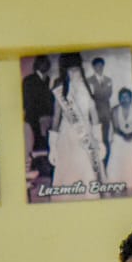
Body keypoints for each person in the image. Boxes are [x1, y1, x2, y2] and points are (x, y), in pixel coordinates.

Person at [51, 51, 106, 188]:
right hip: (67, 139)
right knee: (68, 178)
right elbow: (56, 118)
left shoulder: (87, 86)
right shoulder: (60, 89)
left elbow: (94, 115)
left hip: (86, 135)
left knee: (88, 177)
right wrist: (52, 147)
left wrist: (99, 141)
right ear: (65, 70)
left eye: (76, 69)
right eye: (70, 70)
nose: (74, 73)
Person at [23, 55, 56, 180]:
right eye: (43, 64)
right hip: (34, 118)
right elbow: (27, 102)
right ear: (37, 65)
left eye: (47, 64)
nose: (45, 66)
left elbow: (49, 99)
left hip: (46, 118)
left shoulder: (47, 79)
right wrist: (39, 117)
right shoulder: (28, 80)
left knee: (45, 143)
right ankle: (36, 169)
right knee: (36, 143)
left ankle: (43, 169)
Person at [88, 55, 115, 163]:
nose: (99, 68)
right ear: (93, 67)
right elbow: (91, 97)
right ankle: (95, 163)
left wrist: (99, 95)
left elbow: (108, 95)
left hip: (106, 114)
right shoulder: (89, 81)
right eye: (97, 66)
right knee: (95, 139)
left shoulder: (108, 80)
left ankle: (105, 163)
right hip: (94, 114)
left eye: (101, 66)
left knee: (105, 139)